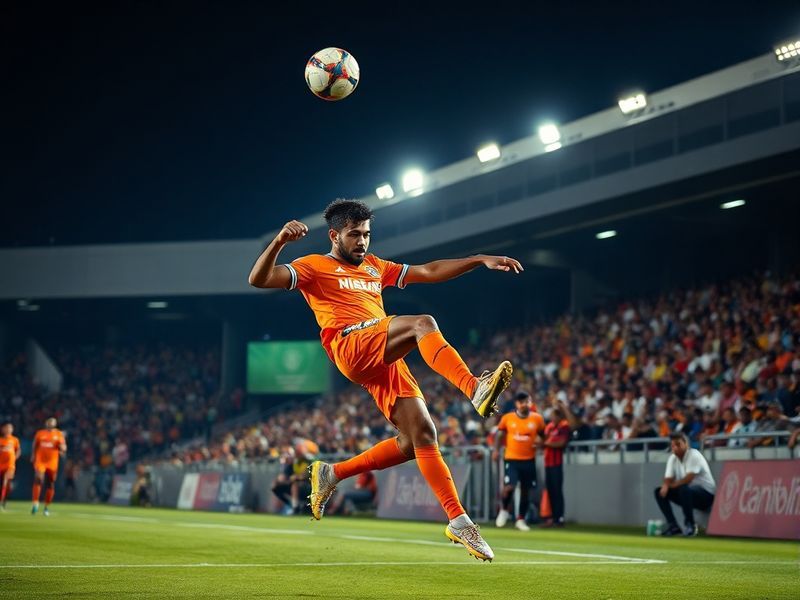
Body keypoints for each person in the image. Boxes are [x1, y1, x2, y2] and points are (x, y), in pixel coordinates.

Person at [248, 199, 521, 561]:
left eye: (367, 234)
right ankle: (475, 387)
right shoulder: (314, 266)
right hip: (350, 345)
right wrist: (280, 241)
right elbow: (259, 279)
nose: (362, 242)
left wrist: (478, 260)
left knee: (419, 436)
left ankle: (454, 519)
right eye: (354, 235)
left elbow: (430, 270)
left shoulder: (376, 266)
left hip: (382, 353)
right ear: (334, 235)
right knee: (423, 323)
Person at [493, 391, 545, 531]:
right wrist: (496, 450)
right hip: (512, 458)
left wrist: (541, 443)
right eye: (521, 402)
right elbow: (499, 434)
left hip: (529, 459)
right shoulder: (508, 418)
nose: (524, 405)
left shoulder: (537, 419)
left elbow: (543, 435)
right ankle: (504, 510)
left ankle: (521, 519)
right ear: (517, 404)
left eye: (527, 402)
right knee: (509, 486)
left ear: (531, 403)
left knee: (525, 490)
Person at [654, 432, 716, 537]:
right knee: (659, 492)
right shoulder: (672, 458)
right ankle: (673, 526)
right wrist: (665, 486)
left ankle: (690, 525)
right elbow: (668, 477)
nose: (675, 448)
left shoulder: (694, 454)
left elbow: (688, 479)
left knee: (683, 488)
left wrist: (670, 486)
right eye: (673, 445)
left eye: (678, 444)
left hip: (707, 495)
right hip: (688, 494)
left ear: (685, 444)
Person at [541, 403, 571, 528]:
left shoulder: (564, 426)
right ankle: (552, 518)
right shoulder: (549, 427)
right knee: (551, 491)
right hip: (547, 462)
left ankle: (560, 517)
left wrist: (546, 444)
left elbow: (561, 443)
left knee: (557, 491)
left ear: (559, 416)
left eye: (553, 415)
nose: (551, 418)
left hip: (556, 463)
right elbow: (543, 440)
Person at [31, 417, 67, 516]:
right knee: (38, 478)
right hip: (40, 461)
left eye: (53, 422)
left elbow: (63, 446)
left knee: (50, 483)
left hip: (52, 462)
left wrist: (63, 449)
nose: (51, 423)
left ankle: (46, 507)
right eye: (49, 421)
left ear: (55, 424)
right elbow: (35, 445)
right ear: (46, 423)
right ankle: (35, 503)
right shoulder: (40, 433)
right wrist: (33, 455)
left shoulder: (59, 434)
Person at [0, 422, 21, 510]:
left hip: (10, 465)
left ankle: (2, 501)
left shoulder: (14, 440)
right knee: (3, 484)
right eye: (7, 428)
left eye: (10, 428)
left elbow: (18, 450)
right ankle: (3, 500)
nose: (8, 429)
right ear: (2, 429)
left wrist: (14, 458)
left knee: (6, 481)